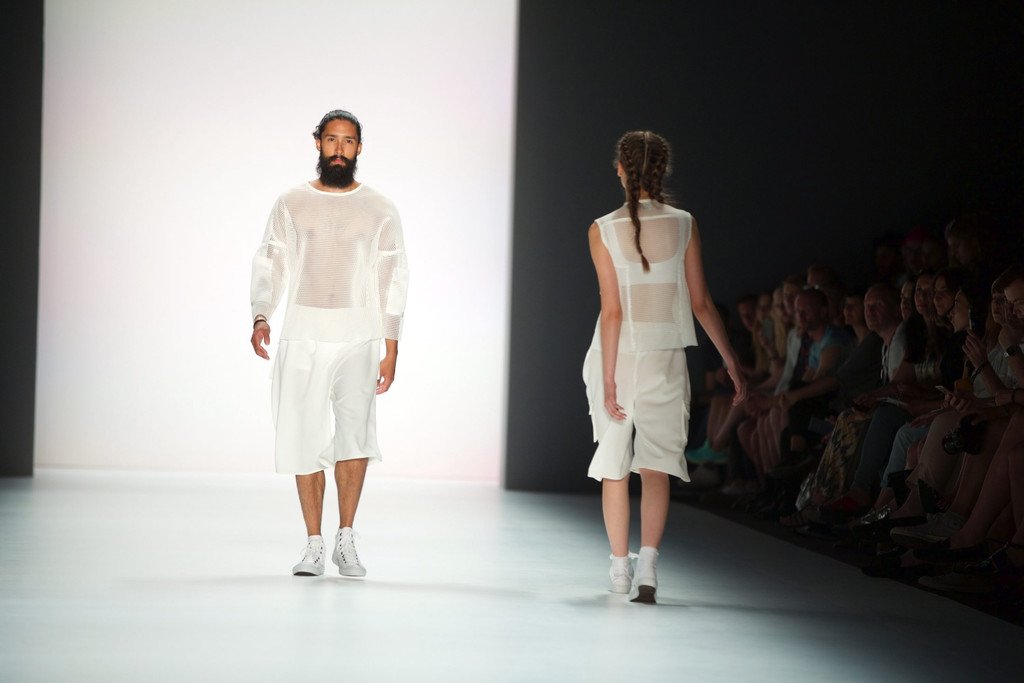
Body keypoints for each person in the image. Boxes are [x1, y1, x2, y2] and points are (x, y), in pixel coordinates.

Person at [583, 130, 746, 603]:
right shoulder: (684, 224)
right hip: (665, 356)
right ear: (662, 169)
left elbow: (612, 311)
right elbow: (702, 303)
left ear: (620, 169)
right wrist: (732, 362)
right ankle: (648, 567)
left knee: (615, 463)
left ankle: (620, 569)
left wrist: (609, 376)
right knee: (656, 464)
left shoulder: (602, 228)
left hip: (616, 354)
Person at [249, 110, 409, 579]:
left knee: (355, 435)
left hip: (358, 336)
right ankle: (314, 543)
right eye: (332, 140)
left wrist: (392, 344)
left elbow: (392, 278)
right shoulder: (292, 202)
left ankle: (346, 537)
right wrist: (261, 312)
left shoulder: (379, 208)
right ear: (317, 142)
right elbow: (271, 260)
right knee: (303, 436)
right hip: (303, 334)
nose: (340, 149)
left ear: (360, 147)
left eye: (349, 141)